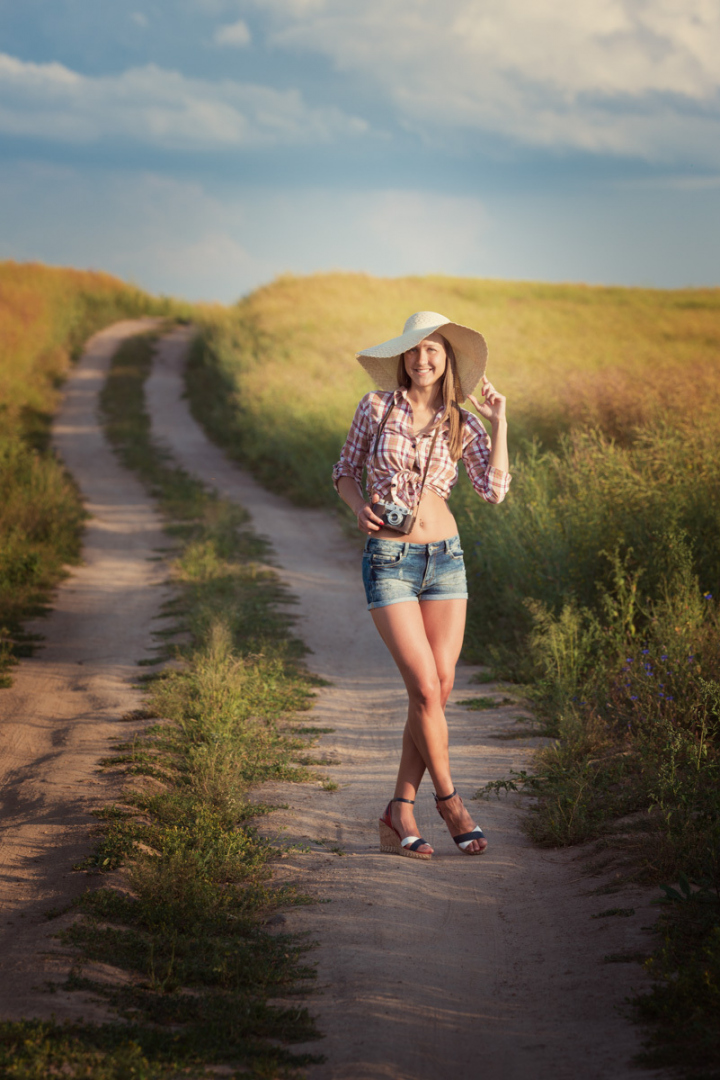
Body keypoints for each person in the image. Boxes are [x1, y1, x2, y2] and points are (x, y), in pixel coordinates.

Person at [333, 311, 511, 859]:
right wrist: (359, 506)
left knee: (437, 689)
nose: (423, 359)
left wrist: (500, 422)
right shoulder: (375, 407)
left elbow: (494, 490)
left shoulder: (463, 422)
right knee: (426, 689)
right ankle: (451, 801)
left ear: (447, 358)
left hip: (446, 562)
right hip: (389, 559)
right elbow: (344, 469)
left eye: (433, 350)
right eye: (413, 351)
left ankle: (398, 809)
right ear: (402, 359)